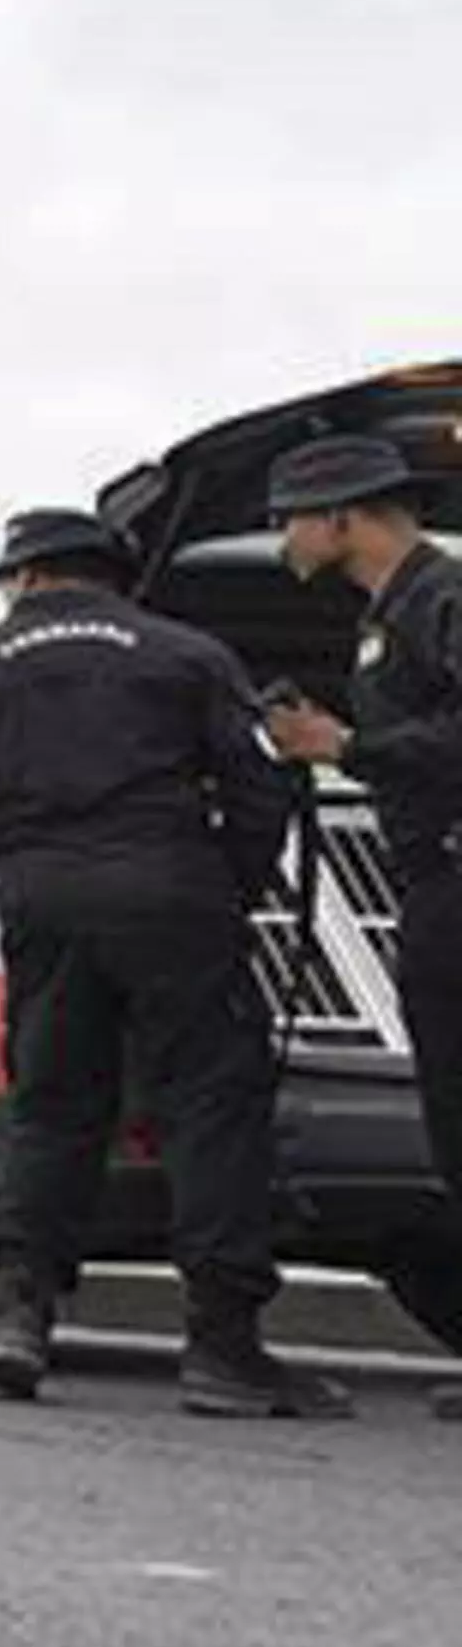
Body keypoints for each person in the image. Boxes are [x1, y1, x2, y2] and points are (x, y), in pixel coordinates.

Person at [0, 504, 340, 1415]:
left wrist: (27, 849)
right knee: (212, 1110)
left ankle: (18, 1320)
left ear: (23, 577)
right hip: (174, 891)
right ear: (114, 573)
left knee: (53, 1105)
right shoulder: (189, 653)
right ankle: (223, 1347)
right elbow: (260, 782)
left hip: (43, 896)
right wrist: (229, 881)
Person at [254, 431, 462, 1420]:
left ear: (343, 518)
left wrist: (347, 743)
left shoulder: (439, 597)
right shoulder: (396, 612)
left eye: (291, 515)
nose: (282, 536)